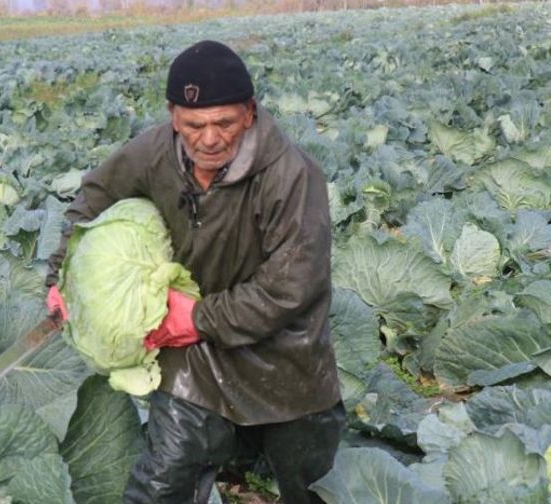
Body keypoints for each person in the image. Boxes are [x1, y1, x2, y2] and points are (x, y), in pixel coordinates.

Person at [46, 39, 344, 503]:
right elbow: (91, 201)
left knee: (310, 480)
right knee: (163, 480)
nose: (209, 139)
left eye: (224, 123)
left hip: (281, 351)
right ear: (173, 116)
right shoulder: (152, 153)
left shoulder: (291, 175)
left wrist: (199, 318)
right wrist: (61, 279)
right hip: (192, 354)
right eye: (194, 125)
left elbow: (290, 286)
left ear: (249, 112)